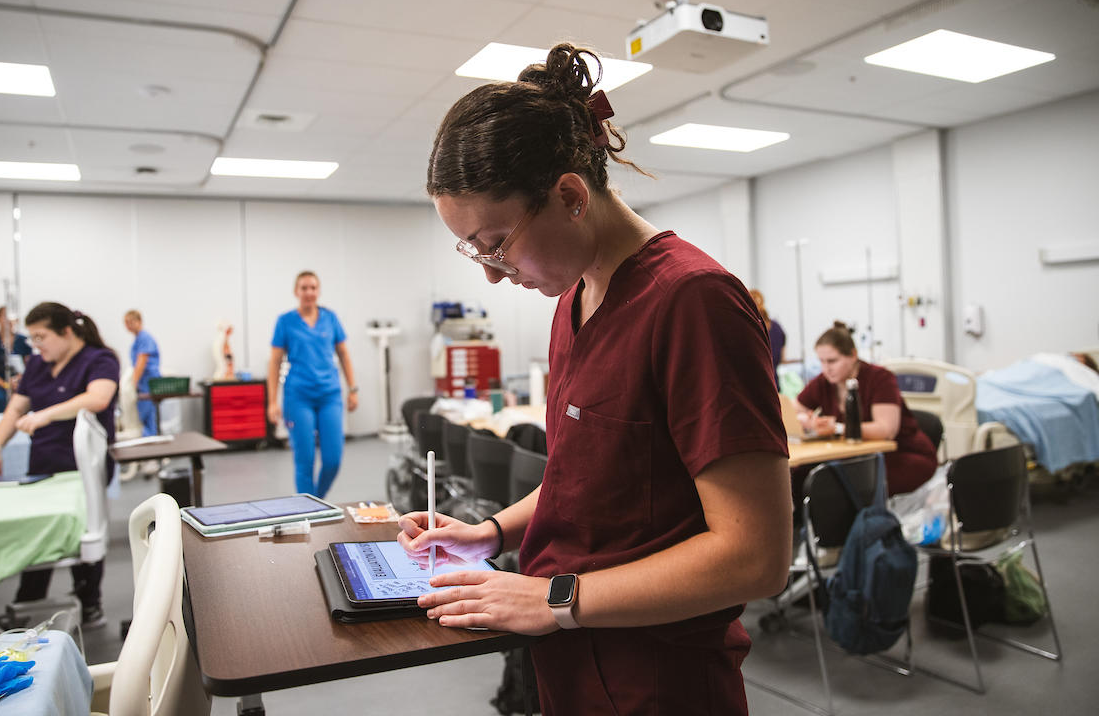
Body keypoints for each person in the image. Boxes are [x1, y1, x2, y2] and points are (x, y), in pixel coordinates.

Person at [399, 44, 792, 714]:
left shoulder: (692, 302)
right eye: (472, 250)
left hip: (657, 681)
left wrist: (554, 598)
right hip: (572, 662)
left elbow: (756, 556)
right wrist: (490, 534)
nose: (490, 273)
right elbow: (585, 480)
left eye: (494, 243)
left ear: (571, 197)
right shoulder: (575, 299)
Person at [0, 302, 119, 629]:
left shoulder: (100, 359)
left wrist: (46, 413)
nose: (36, 345)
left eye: (42, 337)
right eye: (33, 338)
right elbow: (15, 411)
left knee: (82, 533)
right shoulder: (38, 366)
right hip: (44, 463)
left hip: (84, 466)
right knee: (38, 531)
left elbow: (97, 398)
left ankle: (89, 602)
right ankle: (30, 599)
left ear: (66, 332)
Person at [794, 321, 937, 496]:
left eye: (832, 361)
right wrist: (806, 421)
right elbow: (794, 410)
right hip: (854, 456)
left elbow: (886, 430)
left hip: (901, 455)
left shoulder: (880, 379)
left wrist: (837, 428)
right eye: (821, 362)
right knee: (799, 477)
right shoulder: (824, 382)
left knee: (837, 486)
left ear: (853, 355)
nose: (826, 368)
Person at [267, 271, 359, 498]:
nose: (309, 292)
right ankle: (309, 510)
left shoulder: (330, 318)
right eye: (304, 288)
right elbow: (275, 362)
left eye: (313, 288)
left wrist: (353, 389)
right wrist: (272, 401)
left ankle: (316, 501)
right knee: (304, 460)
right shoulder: (285, 321)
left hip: (330, 395)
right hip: (298, 396)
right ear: (296, 292)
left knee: (332, 459)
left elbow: (344, 355)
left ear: (318, 291)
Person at [123, 309, 161, 436]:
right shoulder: (138, 339)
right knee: (147, 416)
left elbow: (141, 362)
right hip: (144, 381)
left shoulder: (145, 337)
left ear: (139, 321)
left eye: (130, 322)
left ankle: (151, 447)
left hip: (148, 381)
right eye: (126, 323)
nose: (128, 325)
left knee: (146, 415)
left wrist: (133, 383)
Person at [749, 289, 786, 389]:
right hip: (774, 387)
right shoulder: (777, 327)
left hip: (755, 388)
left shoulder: (748, 328)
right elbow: (782, 359)